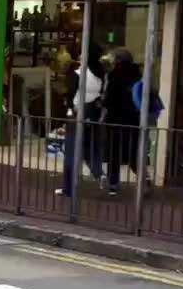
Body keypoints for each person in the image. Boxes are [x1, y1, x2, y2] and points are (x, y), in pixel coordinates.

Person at [56, 42, 105, 196]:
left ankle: (68, 187)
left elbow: (70, 95)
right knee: (91, 149)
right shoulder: (101, 74)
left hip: (78, 114)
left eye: (83, 53)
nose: (79, 56)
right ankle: (99, 174)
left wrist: (69, 106)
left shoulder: (78, 74)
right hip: (94, 114)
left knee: (71, 152)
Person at [102, 47, 144, 196]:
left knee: (114, 154)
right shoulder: (137, 74)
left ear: (118, 61)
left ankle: (113, 184)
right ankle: (144, 180)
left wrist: (102, 103)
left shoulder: (114, 75)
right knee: (133, 153)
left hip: (115, 120)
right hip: (134, 119)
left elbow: (109, 100)